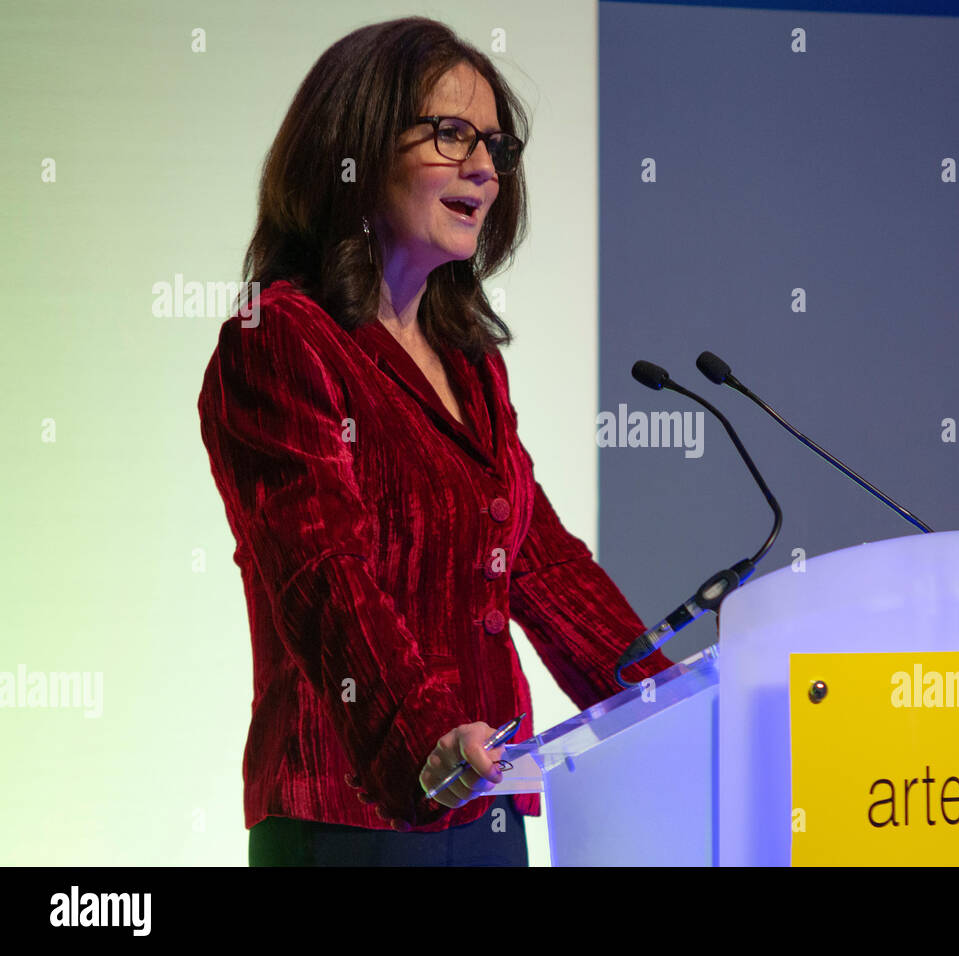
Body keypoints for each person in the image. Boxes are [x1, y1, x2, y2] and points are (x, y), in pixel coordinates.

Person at [197, 17, 671, 867]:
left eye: (494, 145)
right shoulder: (280, 338)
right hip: (350, 814)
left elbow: (543, 563)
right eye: (451, 135)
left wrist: (665, 701)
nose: (484, 168)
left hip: (487, 805)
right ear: (359, 144)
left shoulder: (471, 364)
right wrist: (421, 738)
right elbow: (321, 572)